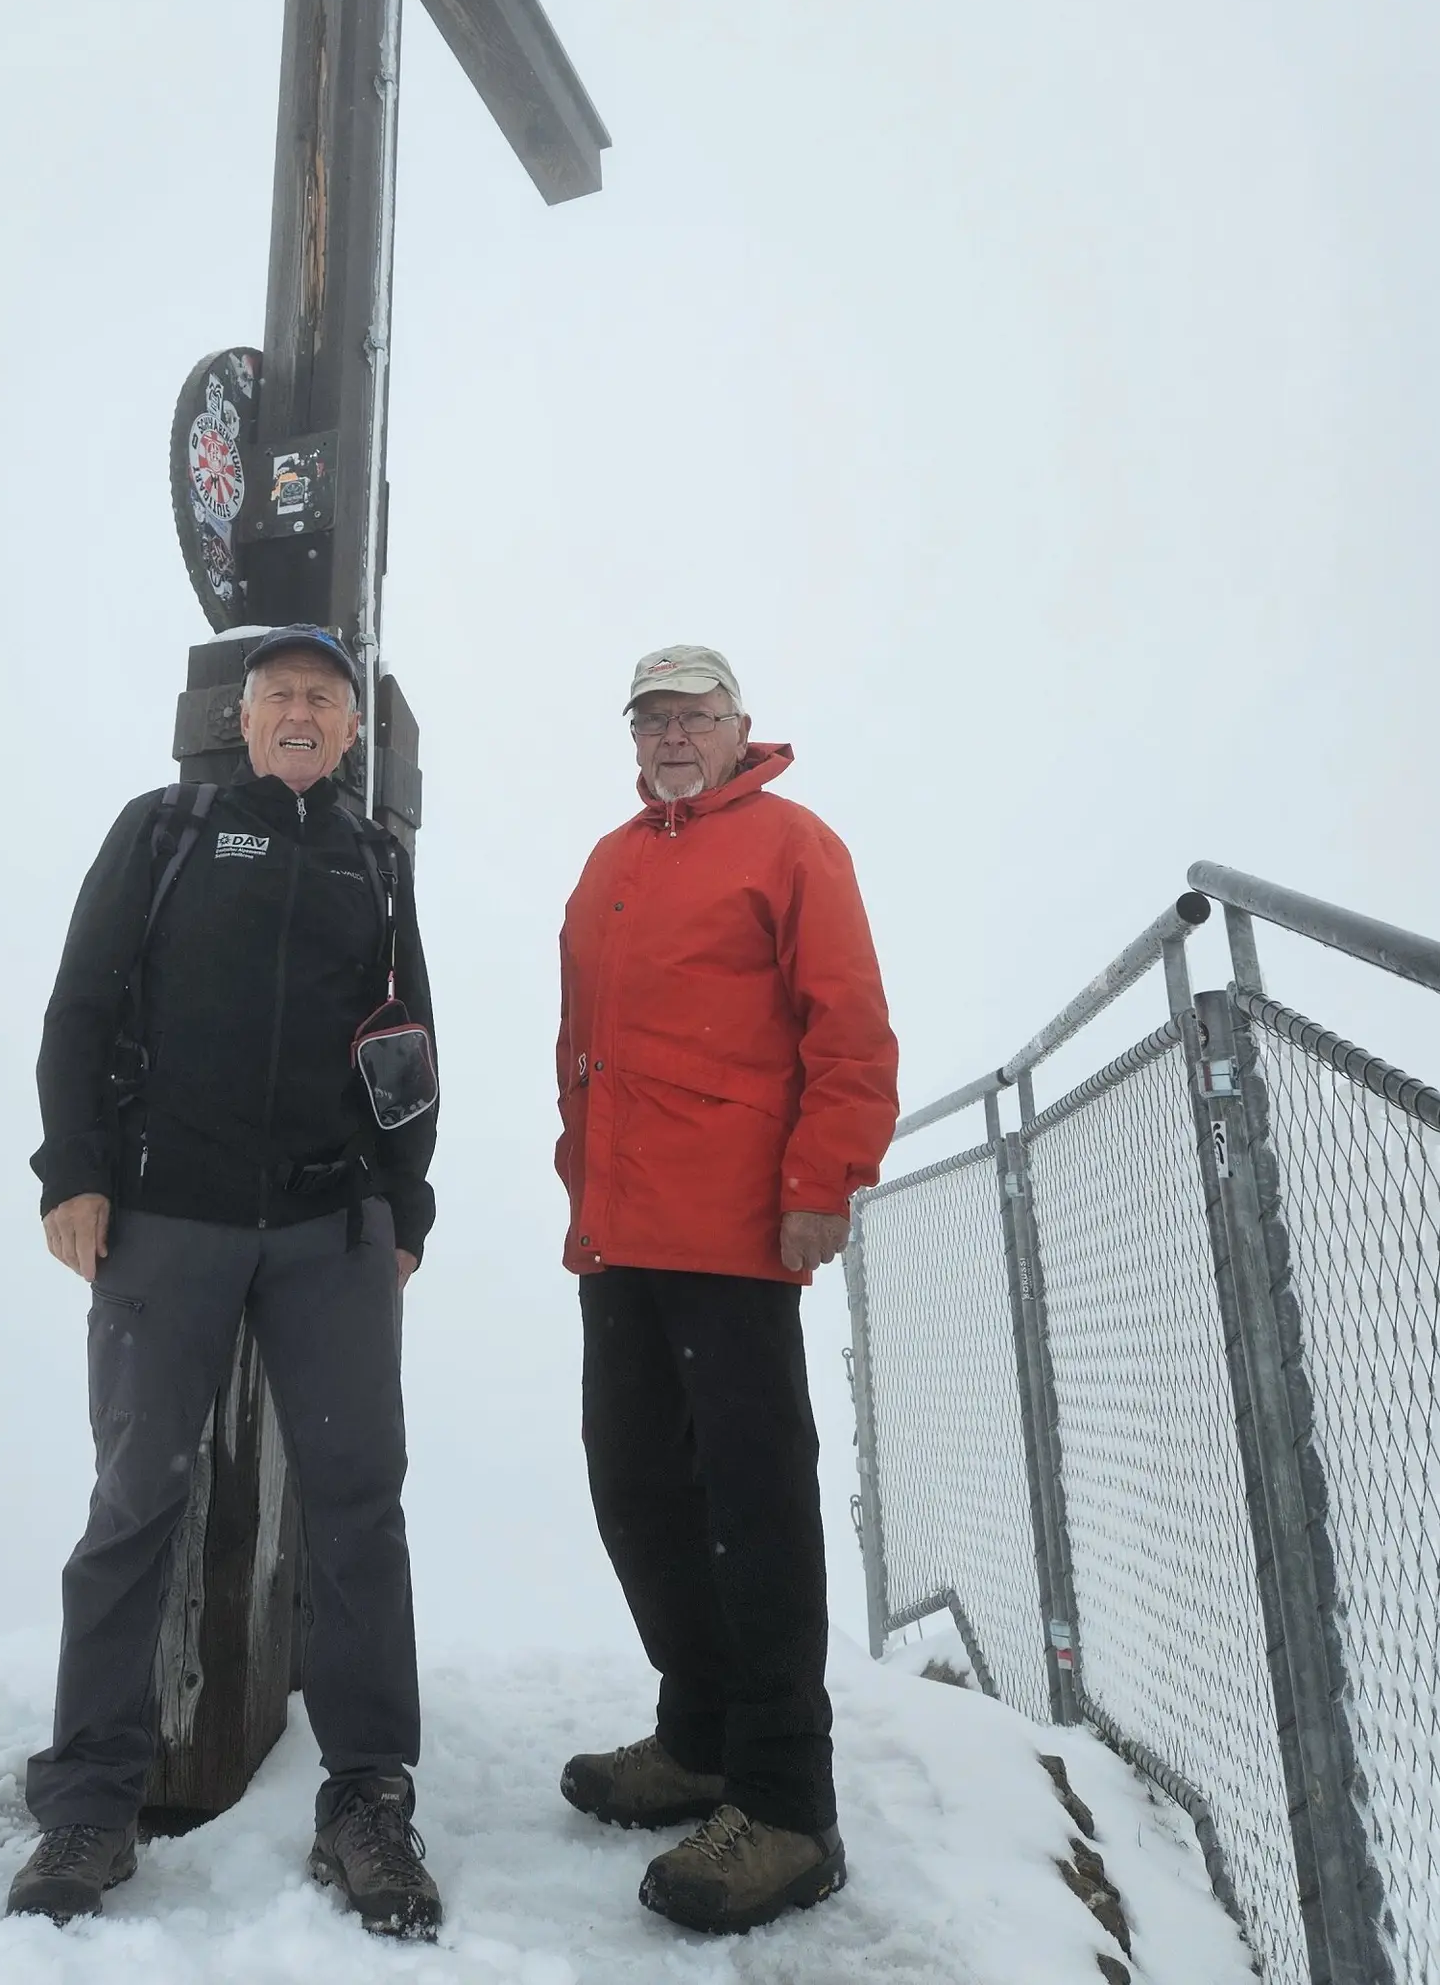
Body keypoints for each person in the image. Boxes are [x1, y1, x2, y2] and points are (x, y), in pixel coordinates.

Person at [7, 626, 442, 1939]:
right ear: (242, 722)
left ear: (352, 732)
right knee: (136, 1497)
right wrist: (73, 1171)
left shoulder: (373, 860)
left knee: (358, 1505)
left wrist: (404, 1201)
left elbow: (410, 1038)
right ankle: (90, 1802)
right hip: (166, 1216)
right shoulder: (166, 829)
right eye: (280, 695)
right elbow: (80, 1005)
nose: (301, 711)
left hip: (331, 1229)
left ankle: (368, 1796)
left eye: (323, 697)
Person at [553, 644, 897, 1936]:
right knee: (636, 1486)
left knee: (753, 1509)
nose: (674, 736)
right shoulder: (610, 859)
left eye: (695, 715)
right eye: (653, 718)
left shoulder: (792, 844)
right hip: (621, 1235)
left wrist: (825, 1180)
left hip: (739, 1232)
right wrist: (579, 1180)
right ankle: (699, 1739)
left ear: (739, 726)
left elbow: (849, 1028)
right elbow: (583, 1047)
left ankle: (787, 1802)